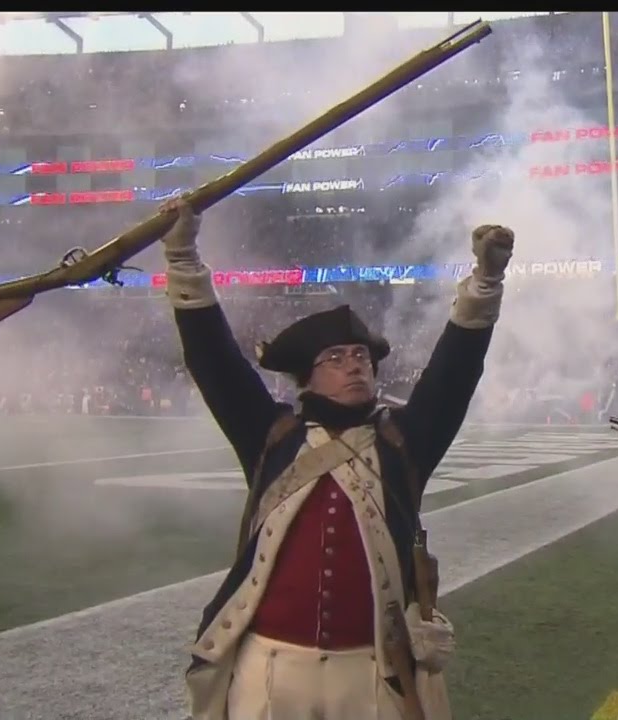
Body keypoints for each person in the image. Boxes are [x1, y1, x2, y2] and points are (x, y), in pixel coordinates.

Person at [157, 198, 515, 720]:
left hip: (369, 672)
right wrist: (182, 256)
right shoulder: (272, 435)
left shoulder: (403, 441)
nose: (354, 366)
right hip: (269, 671)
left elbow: (453, 374)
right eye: (336, 358)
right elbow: (215, 361)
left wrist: (485, 282)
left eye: (361, 357)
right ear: (307, 378)